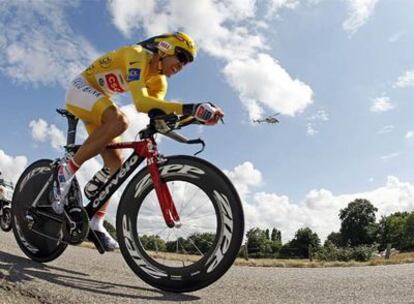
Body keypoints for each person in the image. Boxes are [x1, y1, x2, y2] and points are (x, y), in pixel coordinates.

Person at [52, 32, 224, 251]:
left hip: (99, 100)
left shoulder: (160, 81)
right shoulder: (137, 55)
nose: (183, 65)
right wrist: (192, 107)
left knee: (116, 164)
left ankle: (96, 223)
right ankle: (65, 172)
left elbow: (158, 114)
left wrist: (195, 118)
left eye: (187, 62)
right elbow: (142, 103)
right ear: (164, 48)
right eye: (181, 56)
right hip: (81, 89)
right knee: (120, 121)